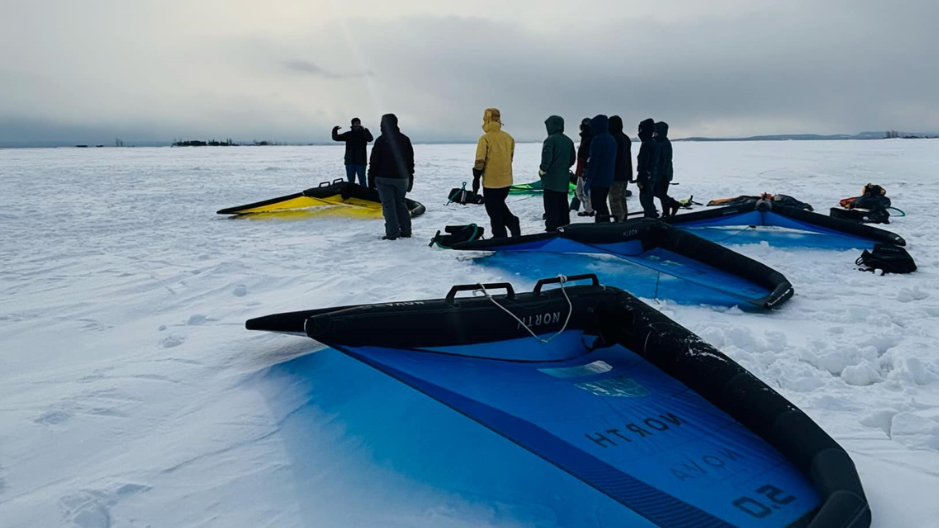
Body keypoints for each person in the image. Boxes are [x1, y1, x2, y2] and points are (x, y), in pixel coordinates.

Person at [473, 108, 520, 238]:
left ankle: (501, 234)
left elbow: (480, 161)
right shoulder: (508, 137)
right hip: (506, 181)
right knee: (499, 205)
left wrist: (476, 177)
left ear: (487, 120)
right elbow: (510, 158)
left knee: (493, 210)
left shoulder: (485, 138)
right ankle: (510, 224)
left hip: (491, 182)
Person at [368, 114, 414, 240]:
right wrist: (410, 178)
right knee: (401, 203)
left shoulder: (380, 141)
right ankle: (406, 231)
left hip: (383, 178)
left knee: (388, 206)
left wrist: (370, 179)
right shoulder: (405, 139)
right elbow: (410, 161)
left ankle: (392, 233)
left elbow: (374, 161)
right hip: (402, 179)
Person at [538, 115, 576, 231]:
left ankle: (551, 230)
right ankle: (565, 228)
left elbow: (546, 158)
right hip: (563, 180)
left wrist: (542, 170)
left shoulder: (550, 140)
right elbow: (572, 159)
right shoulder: (568, 140)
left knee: (551, 207)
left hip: (551, 181)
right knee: (562, 205)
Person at [584, 115, 616, 222]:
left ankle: (603, 225)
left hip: (598, 178)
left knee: (598, 205)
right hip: (608, 176)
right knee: (602, 203)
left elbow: (594, 161)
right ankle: (604, 223)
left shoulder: (597, 139)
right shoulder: (611, 139)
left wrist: (589, 178)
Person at [332, 118, 373, 187]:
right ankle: (352, 192)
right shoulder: (348, 134)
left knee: (362, 180)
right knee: (351, 182)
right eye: (356, 123)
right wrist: (334, 130)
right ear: (352, 124)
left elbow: (370, 139)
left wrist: (365, 130)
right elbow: (336, 138)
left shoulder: (363, 134)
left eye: (358, 123)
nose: (357, 124)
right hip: (350, 161)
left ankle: (365, 192)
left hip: (361, 162)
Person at [653, 121, 680, 217]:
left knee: (661, 193)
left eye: (656, 131)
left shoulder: (665, 143)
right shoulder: (656, 141)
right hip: (657, 172)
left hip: (664, 173)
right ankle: (673, 204)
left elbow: (667, 160)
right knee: (656, 192)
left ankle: (667, 213)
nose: (654, 133)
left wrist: (664, 173)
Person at [608, 115, 632, 221]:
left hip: (615, 174)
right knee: (622, 198)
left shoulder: (613, 138)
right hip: (625, 173)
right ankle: (624, 218)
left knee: (615, 199)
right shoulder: (625, 138)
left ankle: (619, 221)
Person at [571, 118, 594, 216]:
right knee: (579, 191)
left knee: (586, 191)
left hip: (585, 169)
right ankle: (588, 208)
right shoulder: (585, 138)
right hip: (581, 169)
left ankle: (589, 210)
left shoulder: (589, 139)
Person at [636, 118, 659, 218]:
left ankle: (651, 217)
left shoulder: (647, 144)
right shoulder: (652, 142)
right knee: (647, 198)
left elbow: (644, 162)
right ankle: (650, 215)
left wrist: (641, 177)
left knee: (645, 199)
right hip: (651, 174)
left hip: (646, 175)